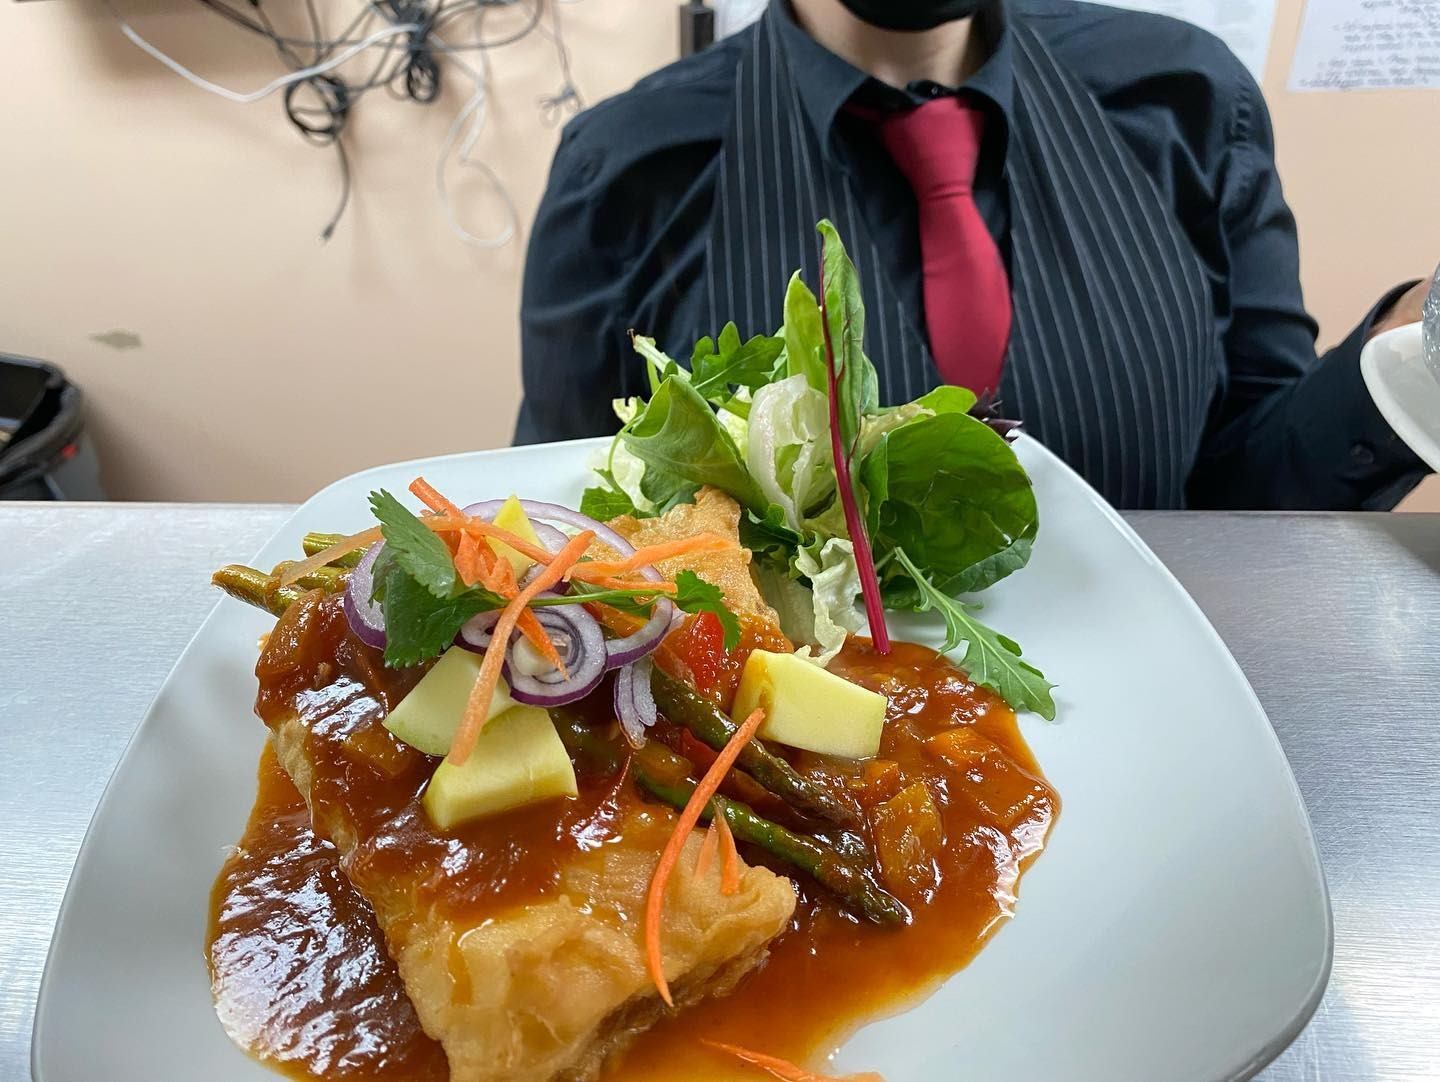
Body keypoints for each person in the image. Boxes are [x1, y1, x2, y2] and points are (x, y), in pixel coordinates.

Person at [516, 0, 1432, 510]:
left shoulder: (1185, 101)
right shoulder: (627, 168)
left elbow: (1254, 491)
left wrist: (1405, 355)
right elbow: (569, 519)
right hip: (787, 793)